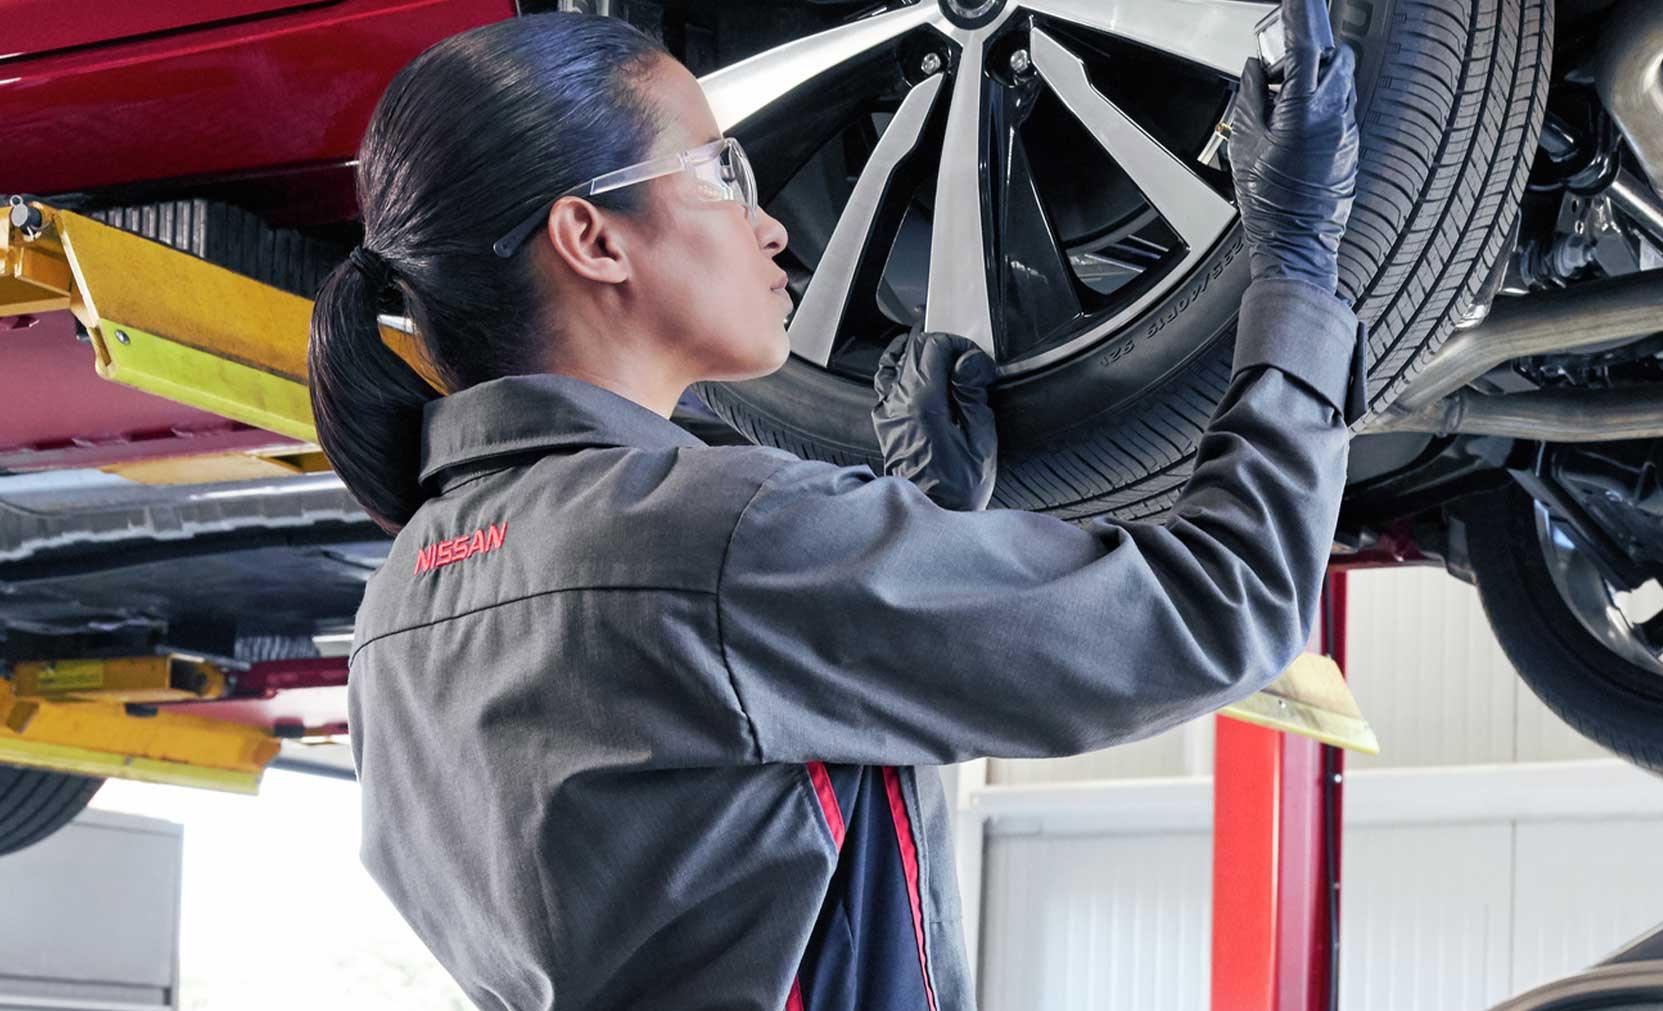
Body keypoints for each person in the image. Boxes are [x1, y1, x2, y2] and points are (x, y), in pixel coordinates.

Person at [308, 1, 1362, 1007]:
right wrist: (1300, 263)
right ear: (593, 239)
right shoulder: (709, 538)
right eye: (718, 169)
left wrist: (912, 522)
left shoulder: (397, 611)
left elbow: (719, 834)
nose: (768, 225)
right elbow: (1225, 608)